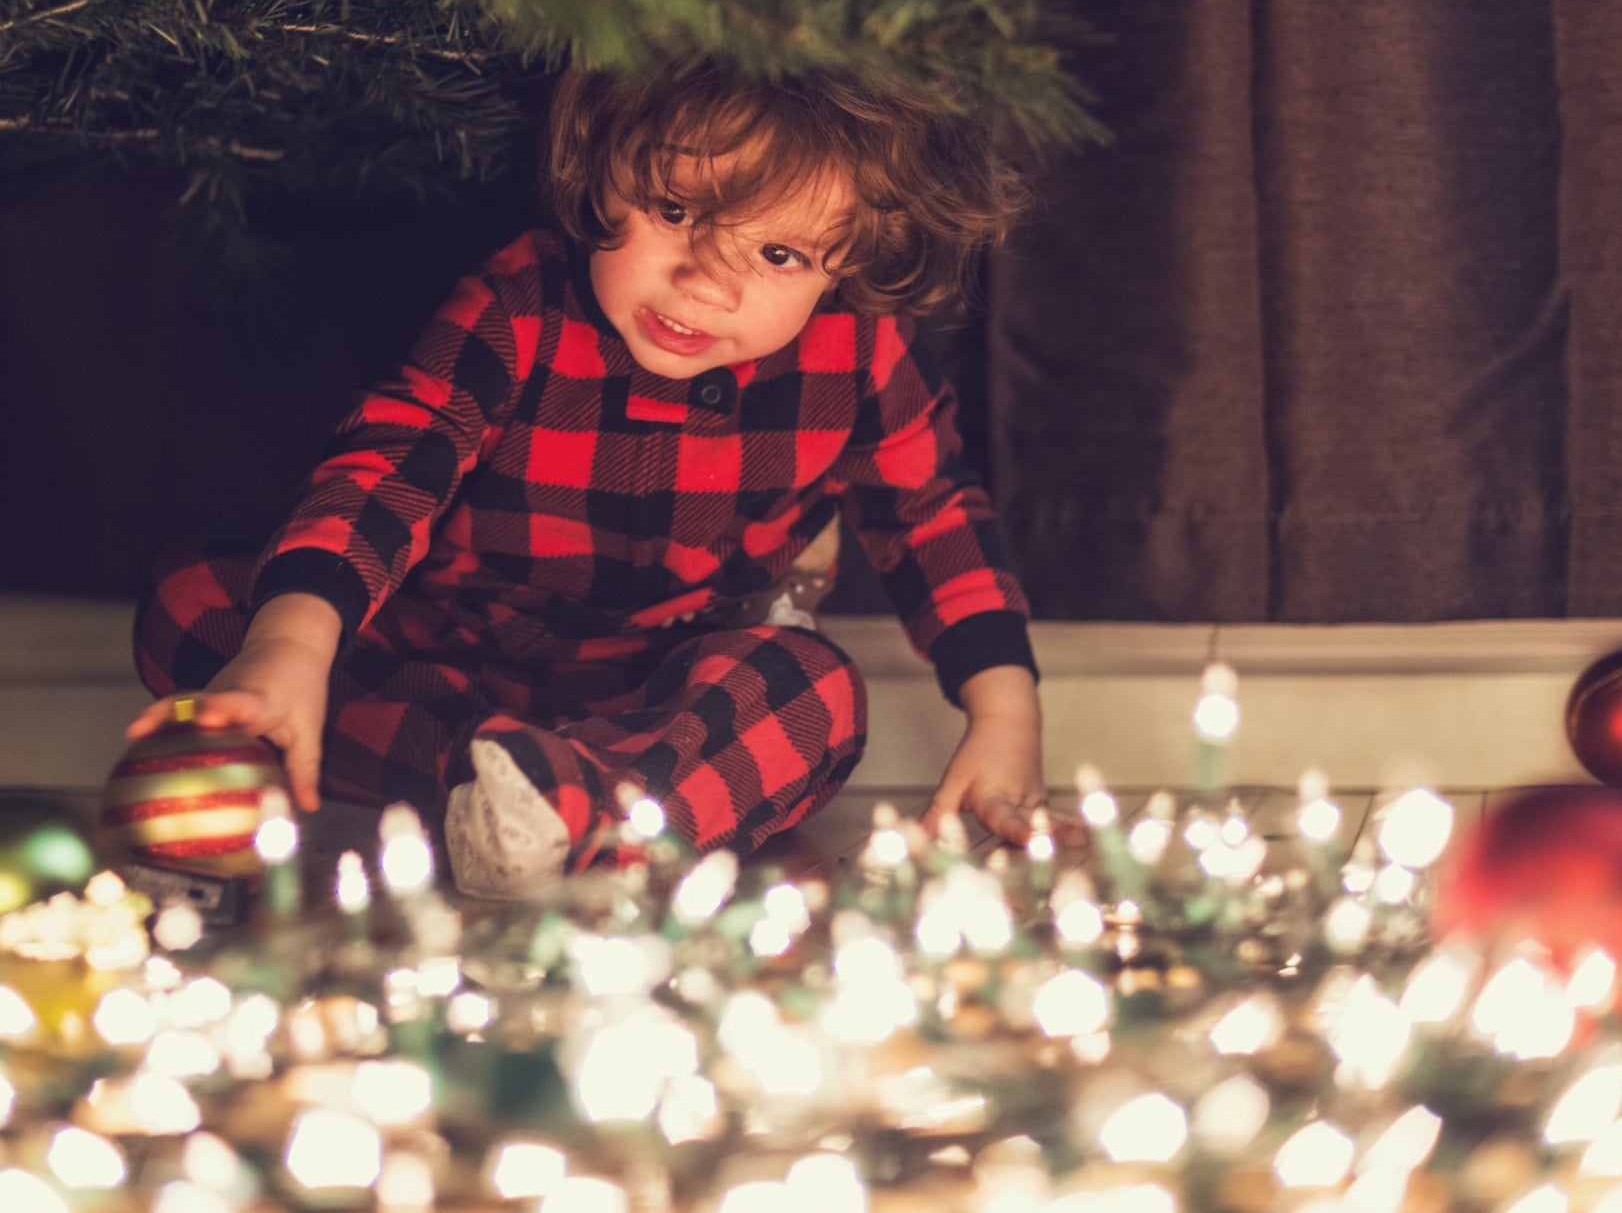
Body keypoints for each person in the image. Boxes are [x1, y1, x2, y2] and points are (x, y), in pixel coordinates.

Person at [129, 61, 1049, 897]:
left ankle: (586, 805)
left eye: (778, 255)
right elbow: (388, 470)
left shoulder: (861, 355)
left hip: (662, 693)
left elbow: (931, 512)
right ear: (602, 162)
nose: (704, 284)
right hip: (444, 660)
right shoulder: (515, 305)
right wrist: (294, 642)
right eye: (677, 212)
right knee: (194, 603)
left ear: (848, 263)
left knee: (812, 693)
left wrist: (1004, 705)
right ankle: (498, 785)